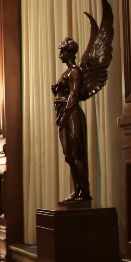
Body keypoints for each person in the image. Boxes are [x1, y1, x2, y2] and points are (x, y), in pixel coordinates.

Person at [52, 37, 90, 202]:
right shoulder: (66, 72)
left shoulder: (74, 71)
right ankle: (77, 190)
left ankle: (84, 191)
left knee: (76, 153)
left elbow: (73, 95)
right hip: (63, 114)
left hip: (72, 114)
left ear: (69, 53)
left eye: (62, 50)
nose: (60, 53)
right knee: (68, 155)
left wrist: (65, 115)